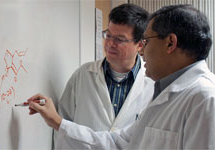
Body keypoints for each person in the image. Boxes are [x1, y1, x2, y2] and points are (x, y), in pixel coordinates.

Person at [28, 4, 215, 149]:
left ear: (170, 43)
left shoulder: (206, 99)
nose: (143, 52)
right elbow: (116, 143)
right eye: (107, 36)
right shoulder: (166, 93)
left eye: (147, 41)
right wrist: (57, 122)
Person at [51, 3, 154, 149]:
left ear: (140, 45)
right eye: (108, 35)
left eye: (119, 39)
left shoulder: (154, 84)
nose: (110, 43)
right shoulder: (83, 75)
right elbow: (62, 130)